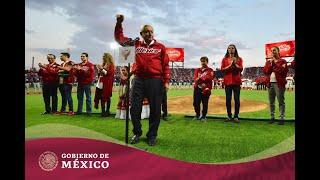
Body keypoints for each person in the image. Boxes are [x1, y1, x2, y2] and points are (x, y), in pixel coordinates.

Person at [114, 14, 170, 146]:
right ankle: (137, 132)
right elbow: (119, 39)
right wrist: (119, 23)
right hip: (138, 80)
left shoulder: (160, 47)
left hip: (155, 80)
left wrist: (166, 81)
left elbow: (165, 65)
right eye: (146, 31)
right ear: (141, 33)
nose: (149, 33)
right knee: (134, 108)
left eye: (151, 31)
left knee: (156, 110)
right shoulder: (135, 44)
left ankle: (152, 135)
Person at [263, 46, 288, 125]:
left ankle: (281, 118)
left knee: (281, 101)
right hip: (270, 83)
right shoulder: (268, 62)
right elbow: (266, 71)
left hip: (279, 83)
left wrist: (274, 64)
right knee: (271, 102)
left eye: (274, 50)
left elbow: (283, 71)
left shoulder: (283, 61)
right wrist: (271, 64)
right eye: (272, 51)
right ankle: (272, 117)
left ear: (278, 51)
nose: (273, 52)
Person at [220, 44, 243, 123]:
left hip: (236, 81)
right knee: (228, 99)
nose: (231, 49)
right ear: (227, 50)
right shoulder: (224, 59)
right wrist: (230, 66)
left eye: (232, 48)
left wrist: (235, 65)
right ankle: (229, 116)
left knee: (237, 99)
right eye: (229, 48)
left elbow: (241, 69)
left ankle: (236, 116)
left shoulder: (239, 59)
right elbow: (222, 70)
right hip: (227, 82)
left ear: (235, 49)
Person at [193, 56, 214, 121]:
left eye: (204, 61)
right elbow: (195, 79)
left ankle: (204, 116)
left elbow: (210, 78)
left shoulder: (210, 70)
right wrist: (202, 78)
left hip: (206, 89)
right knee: (196, 103)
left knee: (205, 103)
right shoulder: (197, 70)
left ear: (207, 62)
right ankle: (197, 115)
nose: (203, 63)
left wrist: (200, 78)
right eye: (201, 61)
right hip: (197, 88)